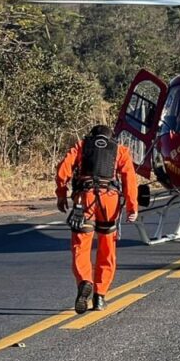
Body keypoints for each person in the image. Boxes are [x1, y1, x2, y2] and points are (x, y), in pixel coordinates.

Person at [55, 125, 139, 313]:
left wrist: (61, 194)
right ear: (111, 138)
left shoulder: (82, 145)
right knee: (107, 250)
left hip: (84, 200)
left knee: (80, 247)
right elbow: (129, 180)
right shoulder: (120, 150)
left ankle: (85, 281)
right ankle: (100, 297)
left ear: (92, 136)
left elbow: (63, 170)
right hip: (109, 201)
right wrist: (133, 207)